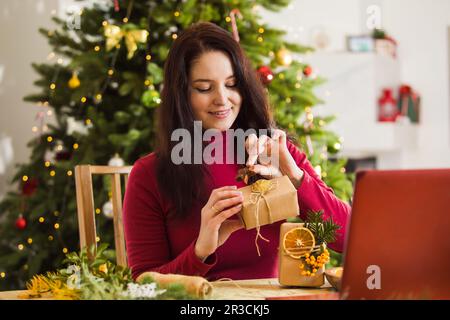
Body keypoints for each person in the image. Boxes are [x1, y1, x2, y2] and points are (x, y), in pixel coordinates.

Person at [123, 22, 351, 281]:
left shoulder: (274, 151)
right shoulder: (149, 175)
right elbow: (143, 284)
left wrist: (296, 179)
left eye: (232, 84)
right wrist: (201, 250)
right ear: (181, 94)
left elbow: (350, 239)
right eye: (204, 88)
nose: (222, 99)